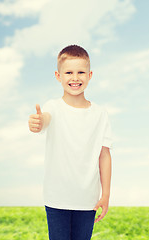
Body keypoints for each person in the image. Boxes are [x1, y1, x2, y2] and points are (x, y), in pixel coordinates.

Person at [28, 45, 112, 240]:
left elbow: (104, 155)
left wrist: (105, 194)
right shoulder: (53, 107)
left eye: (81, 72)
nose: (75, 78)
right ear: (58, 76)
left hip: (87, 200)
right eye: (69, 72)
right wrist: (38, 122)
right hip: (57, 197)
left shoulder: (100, 113)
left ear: (90, 75)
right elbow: (45, 119)